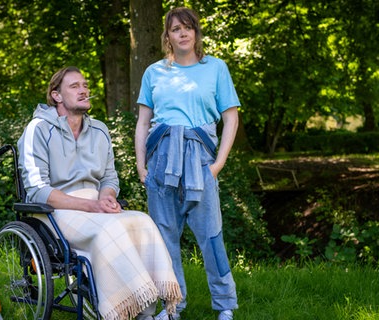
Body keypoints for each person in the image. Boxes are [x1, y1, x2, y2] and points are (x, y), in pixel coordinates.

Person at [17, 66, 182, 320]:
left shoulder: (99, 130)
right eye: (74, 86)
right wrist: (91, 206)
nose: (84, 90)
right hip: (54, 211)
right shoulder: (37, 129)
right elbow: (37, 189)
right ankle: (125, 310)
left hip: (94, 205)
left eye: (85, 85)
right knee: (110, 230)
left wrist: (106, 196)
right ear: (56, 95)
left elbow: (109, 177)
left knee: (142, 221)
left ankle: (144, 308)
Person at [134, 6, 239, 320]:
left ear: (196, 32)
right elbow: (142, 122)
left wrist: (217, 165)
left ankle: (225, 305)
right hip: (161, 160)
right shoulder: (154, 72)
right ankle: (172, 306)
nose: (182, 33)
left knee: (211, 236)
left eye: (187, 28)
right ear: (167, 35)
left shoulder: (216, 68)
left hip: (200, 160)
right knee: (164, 239)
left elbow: (231, 119)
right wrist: (142, 166)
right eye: (175, 29)